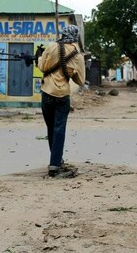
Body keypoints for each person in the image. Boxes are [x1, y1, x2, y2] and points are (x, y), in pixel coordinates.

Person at [37, 25, 86, 178]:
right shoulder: (77, 55)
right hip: (62, 95)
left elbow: (42, 67)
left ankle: (55, 161)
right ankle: (55, 163)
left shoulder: (52, 47)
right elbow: (81, 80)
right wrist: (70, 73)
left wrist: (39, 57)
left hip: (47, 93)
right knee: (59, 129)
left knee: (51, 128)